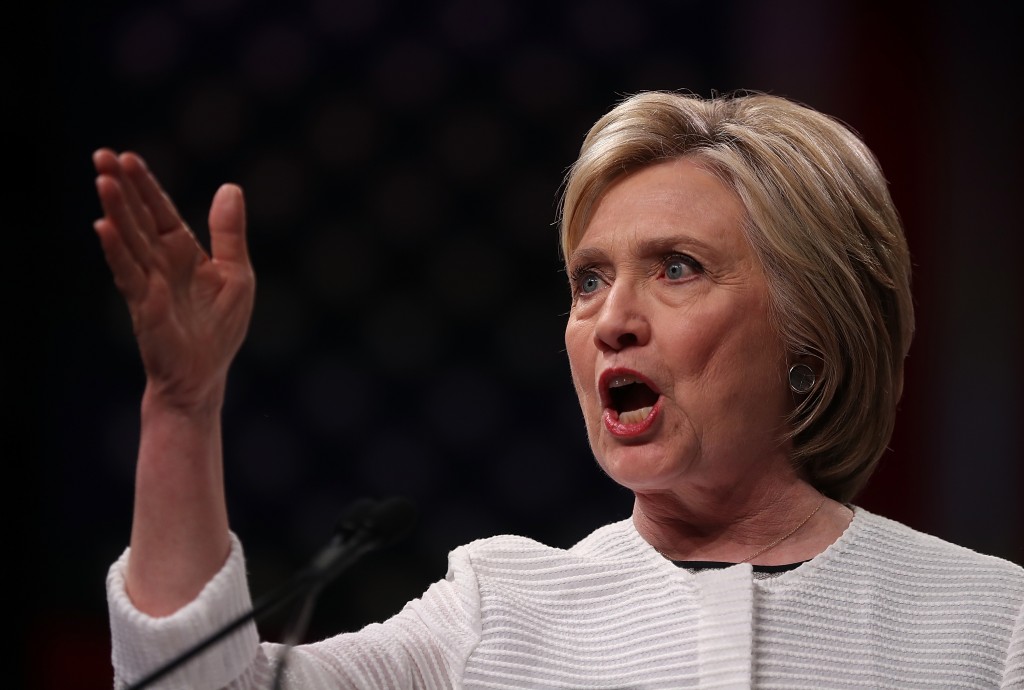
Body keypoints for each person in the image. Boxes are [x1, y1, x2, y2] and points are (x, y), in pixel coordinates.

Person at [96, 91, 1024, 689]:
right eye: (587, 280)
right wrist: (183, 407)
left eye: (678, 268)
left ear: (809, 335)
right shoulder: (498, 606)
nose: (610, 318)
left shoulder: (989, 622)